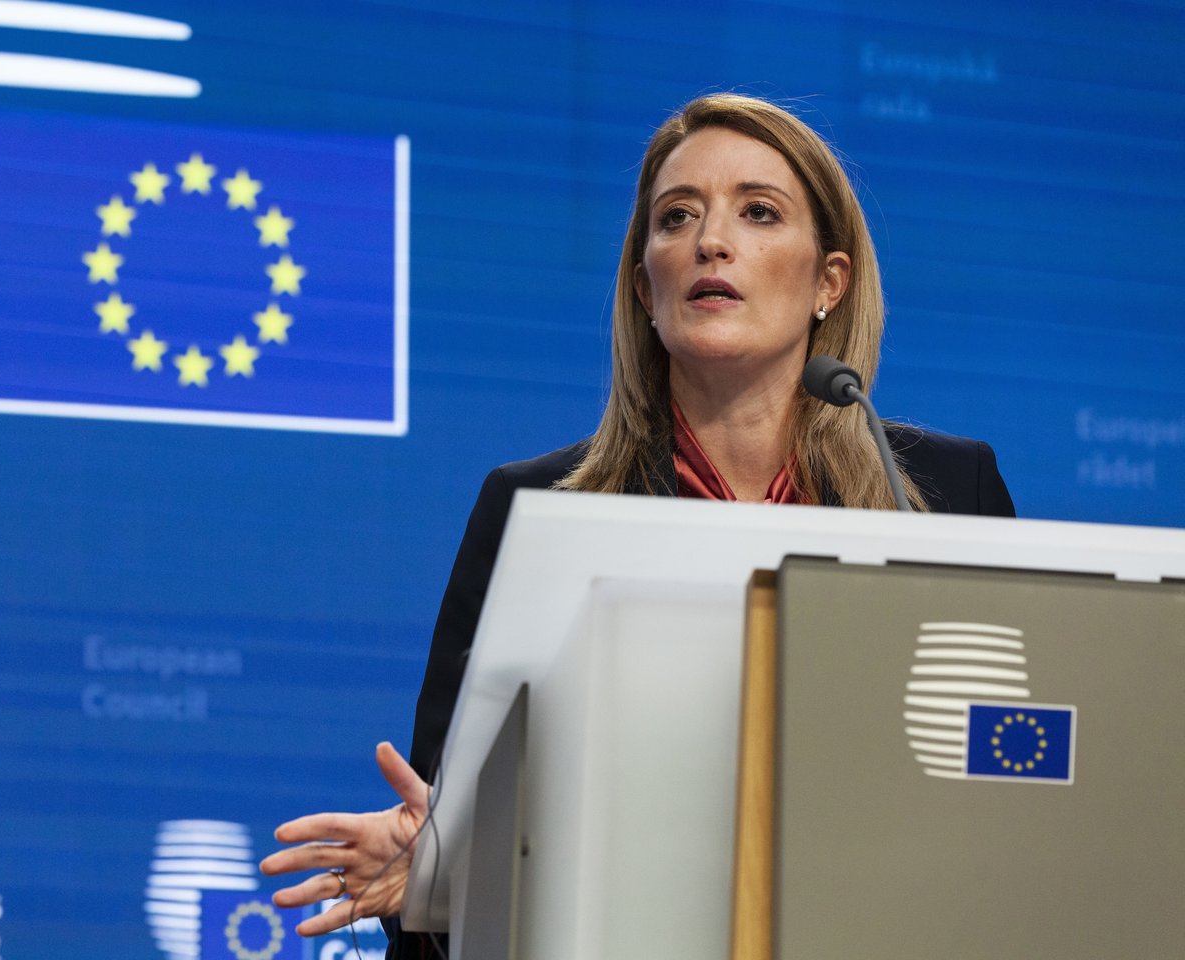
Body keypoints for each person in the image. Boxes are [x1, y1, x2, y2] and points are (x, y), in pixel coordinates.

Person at [258, 91, 1015, 957]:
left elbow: (1006, 803)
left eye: (758, 213)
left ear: (828, 283)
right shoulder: (537, 509)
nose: (710, 242)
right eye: (676, 217)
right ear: (644, 287)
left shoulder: (945, 492)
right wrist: (434, 876)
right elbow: (446, 830)